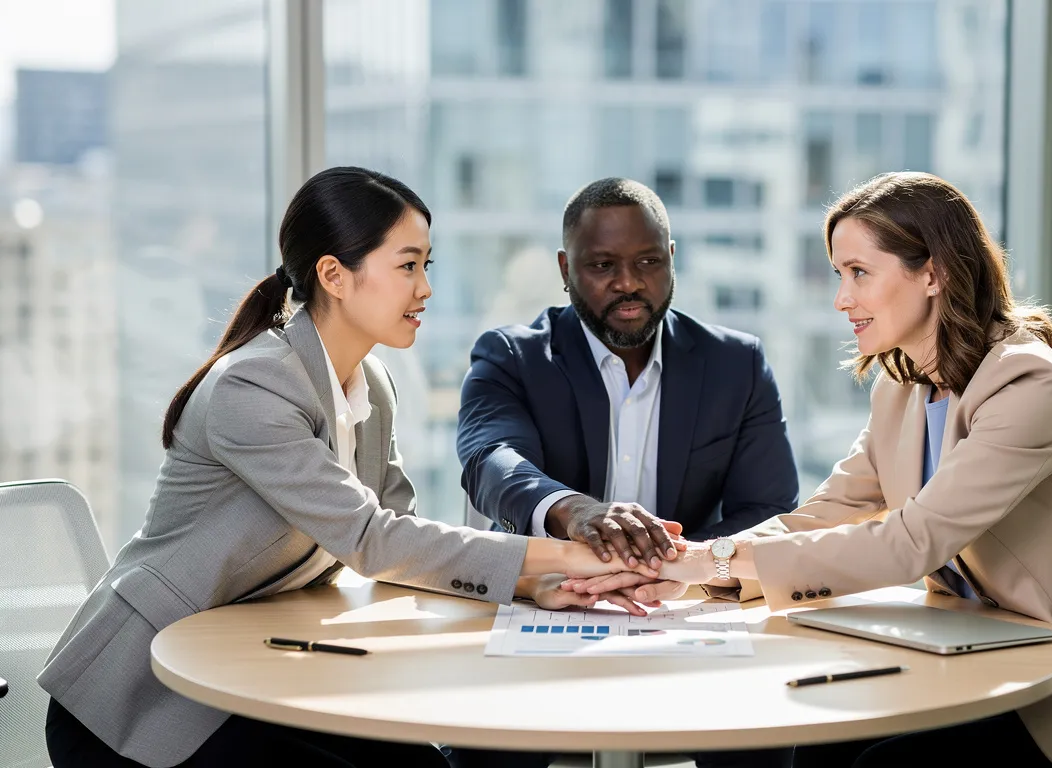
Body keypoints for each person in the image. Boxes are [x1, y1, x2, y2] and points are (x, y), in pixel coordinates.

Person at [565, 172, 1052, 768]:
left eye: (858, 272)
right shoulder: (905, 388)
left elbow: (913, 540)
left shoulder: (1031, 385)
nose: (841, 299)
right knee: (820, 743)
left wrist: (712, 564)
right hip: (999, 663)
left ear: (932, 273)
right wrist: (690, 568)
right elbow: (821, 515)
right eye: (837, 275)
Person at [39, 167, 656, 768]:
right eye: (407, 265)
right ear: (334, 275)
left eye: (426, 265)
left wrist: (532, 584)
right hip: (140, 699)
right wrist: (577, 554)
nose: (426, 288)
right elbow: (372, 539)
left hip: (257, 669)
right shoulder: (253, 386)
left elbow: (405, 536)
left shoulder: (371, 385)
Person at [453, 178, 799, 768]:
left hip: (688, 604)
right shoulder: (513, 356)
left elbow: (768, 506)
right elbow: (491, 460)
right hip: (551, 602)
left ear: (672, 260)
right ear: (566, 269)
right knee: (486, 747)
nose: (629, 283)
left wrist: (678, 565)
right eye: (602, 265)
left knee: (766, 734)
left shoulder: (736, 363)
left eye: (647, 261)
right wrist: (574, 511)